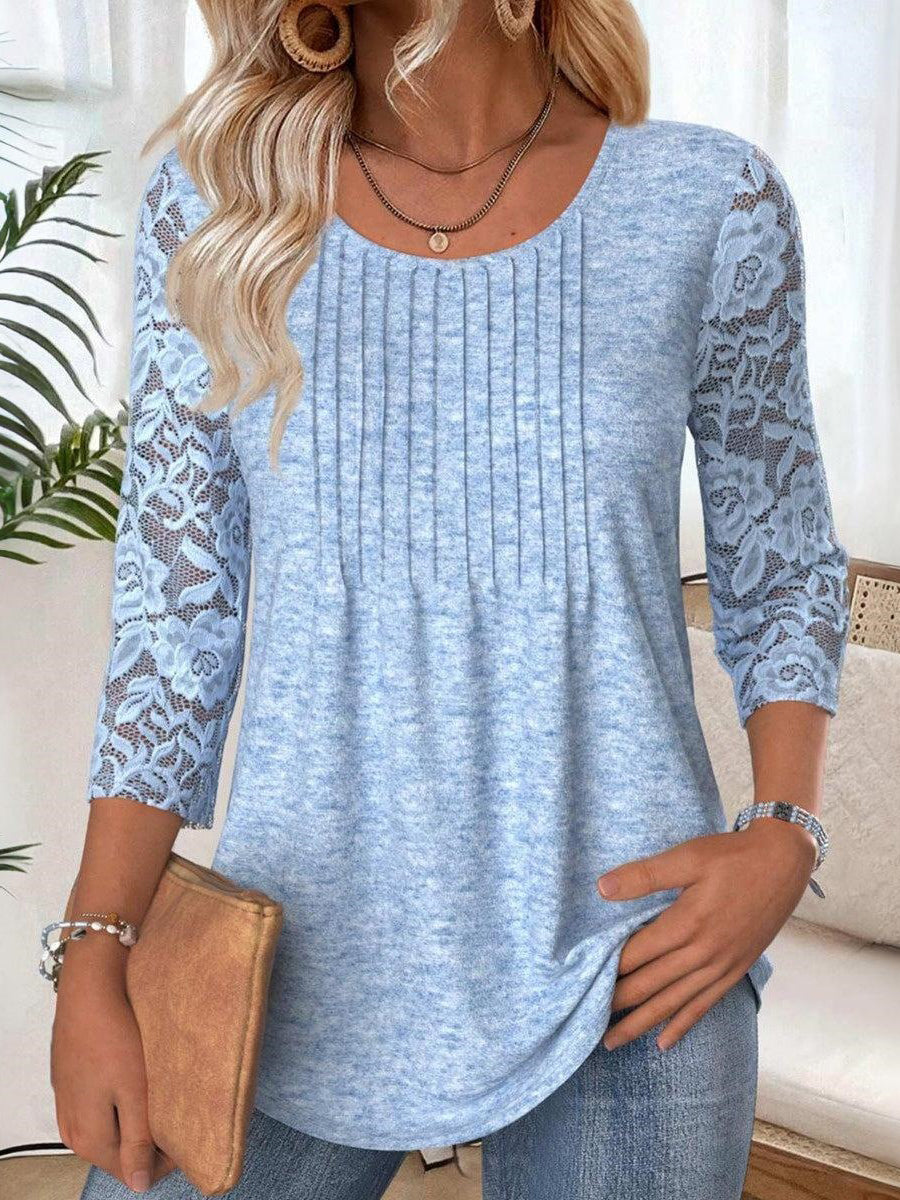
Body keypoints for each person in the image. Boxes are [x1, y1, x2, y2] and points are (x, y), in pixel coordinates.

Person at [48, 1, 850, 1197]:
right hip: (288, 965)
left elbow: (781, 562)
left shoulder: (707, 203)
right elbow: (174, 624)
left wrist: (784, 833)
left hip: (633, 963)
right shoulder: (219, 210)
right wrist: (97, 950)